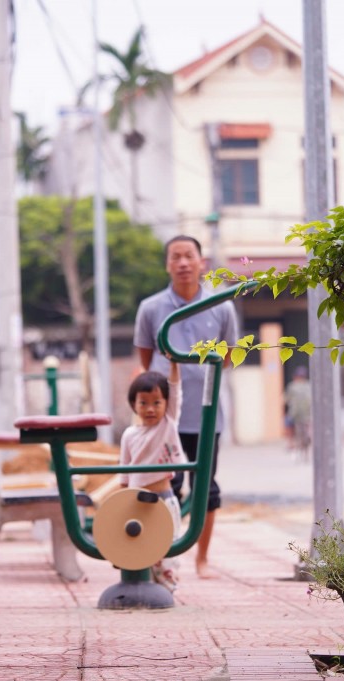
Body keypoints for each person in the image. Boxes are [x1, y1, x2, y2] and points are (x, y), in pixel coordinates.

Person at [134, 235, 239, 579]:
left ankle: (202, 559)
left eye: (188, 256)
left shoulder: (221, 306)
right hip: (165, 421)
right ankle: (161, 558)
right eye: (175, 257)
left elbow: (228, 358)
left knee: (207, 489)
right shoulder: (150, 308)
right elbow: (147, 364)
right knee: (166, 486)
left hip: (208, 416)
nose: (182, 263)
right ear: (167, 264)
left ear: (201, 262)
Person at [119, 363, 185, 591]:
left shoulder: (167, 425)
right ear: (133, 405)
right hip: (137, 500)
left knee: (167, 545)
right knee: (141, 543)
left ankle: (167, 587)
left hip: (163, 499)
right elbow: (124, 470)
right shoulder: (129, 435)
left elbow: (175, 390)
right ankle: (144, 584)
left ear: (166, 405)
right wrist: (122, 500)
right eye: (143, 403)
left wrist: (174, 365)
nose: (150, 409)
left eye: (157, 403)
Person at [284, 366, 312, 460]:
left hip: (295, 414)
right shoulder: (309, 386)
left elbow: (286, 400)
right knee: (308, 426)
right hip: (308, 414)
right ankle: (309, 435)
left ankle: (290, 443)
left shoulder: (292, 386)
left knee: (289, 425)